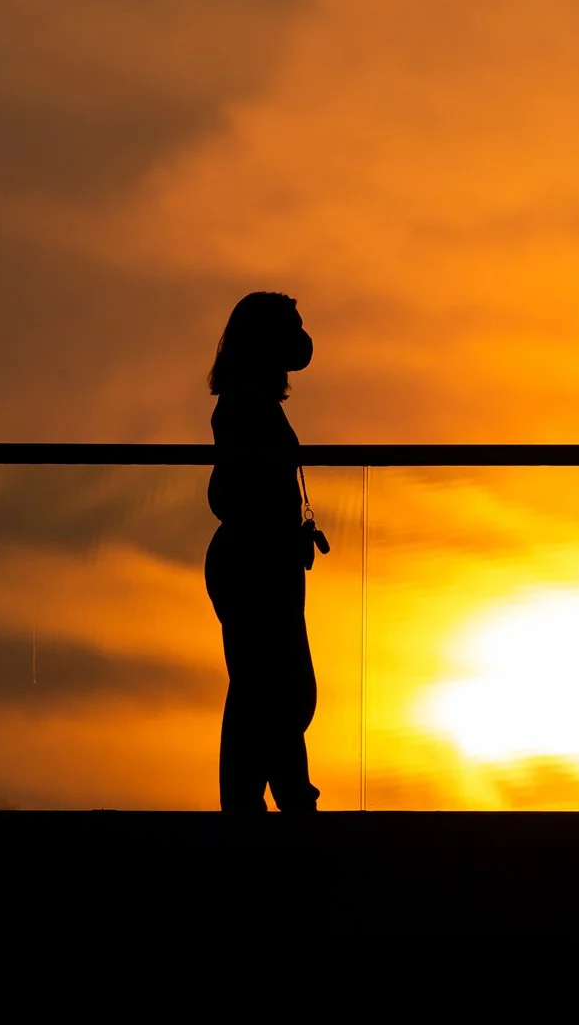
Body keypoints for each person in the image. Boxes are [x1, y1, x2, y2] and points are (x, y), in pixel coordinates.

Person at [205, 290, 326, 814]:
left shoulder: (250, 401)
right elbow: (228, 491)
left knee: (266, 689)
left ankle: (261, 801)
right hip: (253, 562)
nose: (301, 337)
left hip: (265, 559)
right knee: (275, 688)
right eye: (292, 326)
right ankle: (281, 800)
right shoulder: (243, 406)